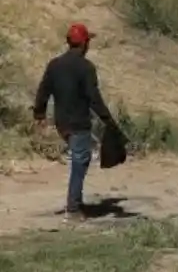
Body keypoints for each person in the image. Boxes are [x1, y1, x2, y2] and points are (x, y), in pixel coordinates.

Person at [31, 24, 124, 223]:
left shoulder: (54, 65)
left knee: (81, 158)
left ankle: (76, 202)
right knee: (80, 162)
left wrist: (39, 114)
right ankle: (73, 209)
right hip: (79, 123)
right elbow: (94, 98)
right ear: (83, 44)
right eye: (88, 41)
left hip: (62, 123)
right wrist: (108, 120)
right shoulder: (86, 67)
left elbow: (43, 90)